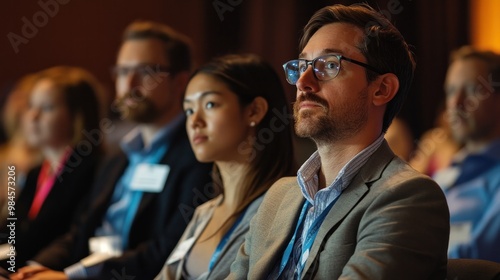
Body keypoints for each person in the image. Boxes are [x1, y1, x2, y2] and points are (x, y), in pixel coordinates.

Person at [227, 4, 450, 279]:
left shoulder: (407, 196)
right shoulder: (278, 196)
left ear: (381, 89)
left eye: (329, 65)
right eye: (302, 65)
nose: (303, 82)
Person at [12, 21, 214, 279]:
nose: (128, 84)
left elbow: (165, 253)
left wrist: (71, 277)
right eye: (121, 71)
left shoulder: (197, 158)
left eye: (145, 72)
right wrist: (32, 269)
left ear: (180, 81)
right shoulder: (117, 159)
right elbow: (78, 233)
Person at [154, 54, 296, 280]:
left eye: (210, 104)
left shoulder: (284, 207)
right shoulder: (204, 212)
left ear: (254, 111)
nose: (194, 122)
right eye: (189, 110)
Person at [0, 66, 105, 267]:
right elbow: (11, 232)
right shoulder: (35, 172)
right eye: (31, 106)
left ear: (76, 117)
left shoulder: (92, 170)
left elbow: (68, 240)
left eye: (47, 108)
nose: (32, 116)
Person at [433, 46, 500, 262]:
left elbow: (479, 256)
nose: (455, 103)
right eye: (451, 91)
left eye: (471, 89)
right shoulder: (448, 171)